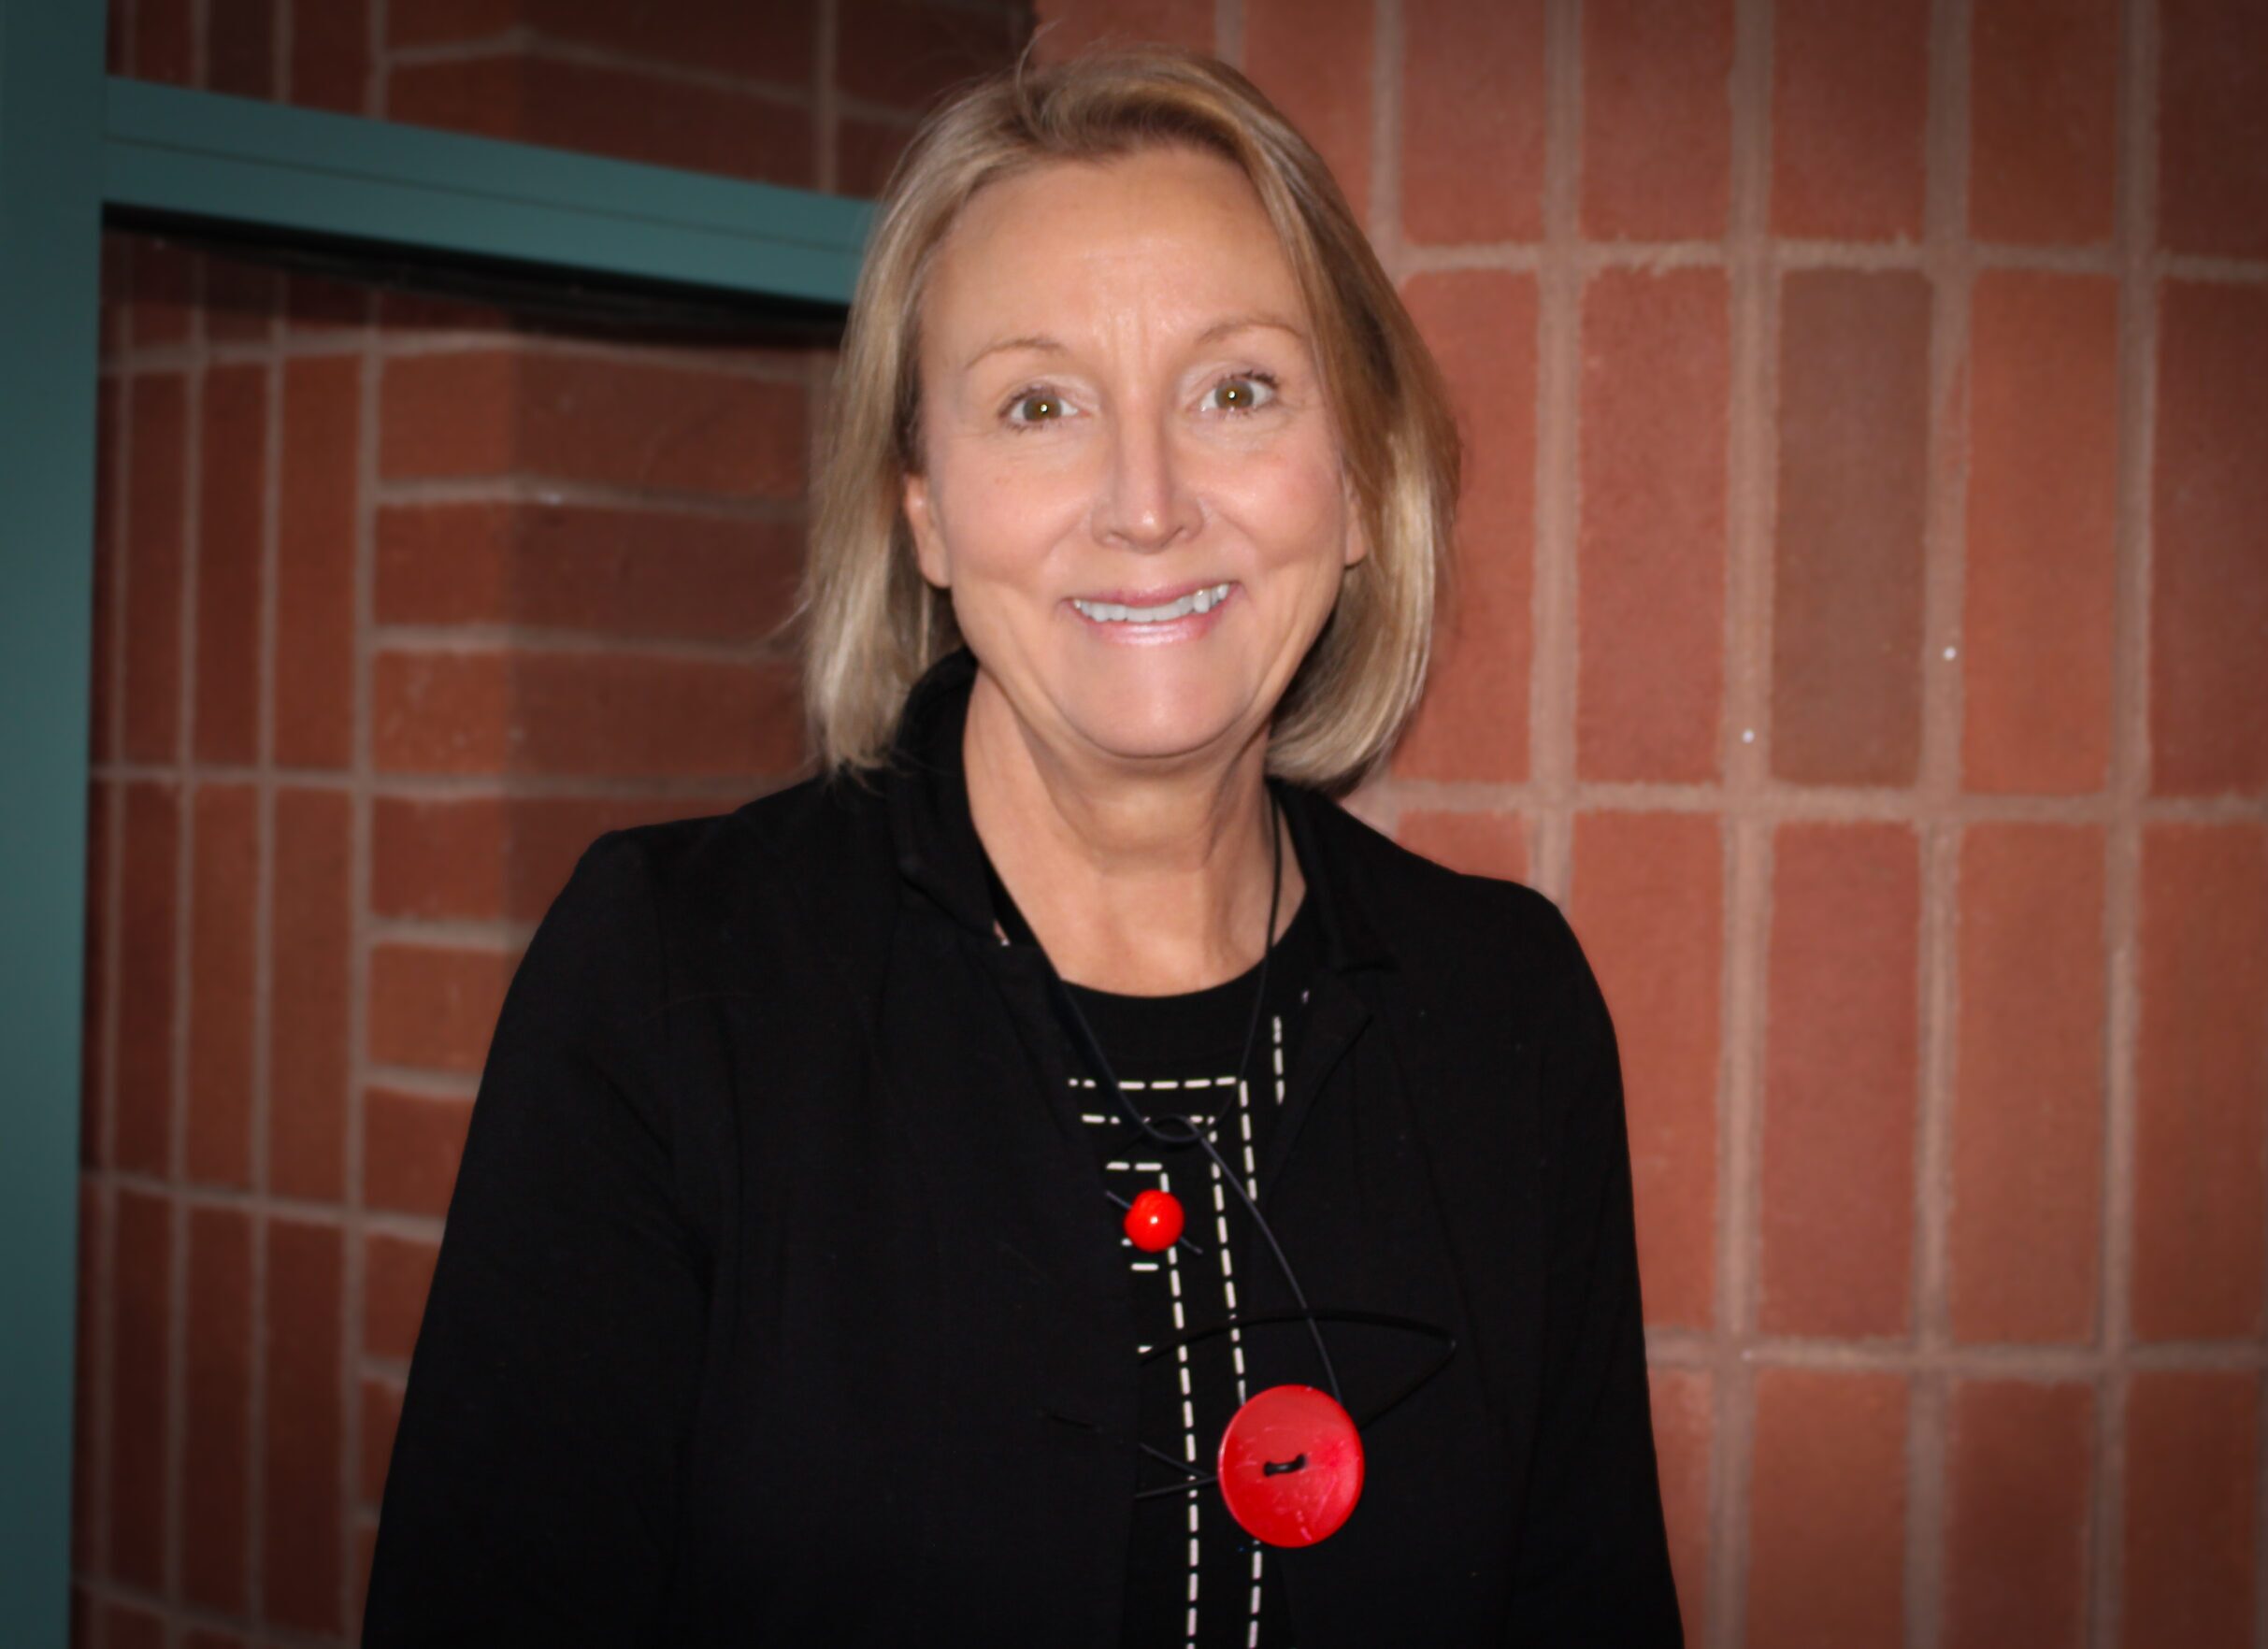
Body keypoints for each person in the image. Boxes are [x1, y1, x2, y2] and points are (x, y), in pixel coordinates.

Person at [363, 42, 1680, 1648]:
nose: (1147, 504)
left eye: (1236, 390)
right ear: (923, 507)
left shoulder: (1507, 1011)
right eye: (1040, 405)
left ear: (1359, 476)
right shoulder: (670, 985)